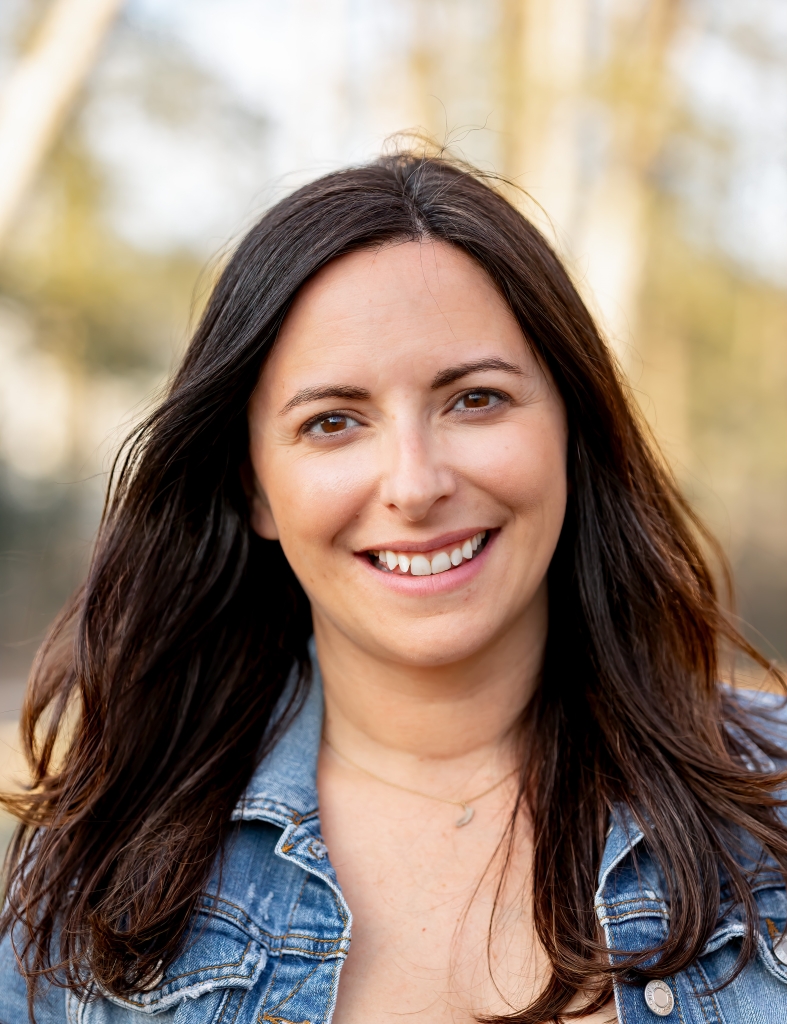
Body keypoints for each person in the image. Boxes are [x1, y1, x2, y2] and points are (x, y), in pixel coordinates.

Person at [1, 151, 786, 1024]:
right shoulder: (99, 869)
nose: (414, 486)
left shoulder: (775, 805)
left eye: (476, 400)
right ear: (253, 486)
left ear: (572, 428)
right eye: (332, 423)